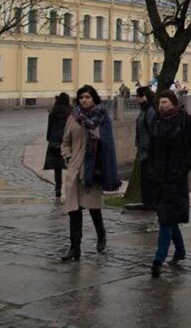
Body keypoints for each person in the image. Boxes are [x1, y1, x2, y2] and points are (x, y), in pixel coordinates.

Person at [59, 85, 120, 262]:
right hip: (75, 169)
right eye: (81, 97)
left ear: (94, 98)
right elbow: (65, 141)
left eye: (87, 97)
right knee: (74, 209)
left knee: (93, 207)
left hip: (93, 169)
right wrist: (68, 157)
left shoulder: (101, 118)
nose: (84, 100)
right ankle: (74, 247)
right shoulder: (73, 118)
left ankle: (101, 234)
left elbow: (108, 144)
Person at [145, 90, 191, 278]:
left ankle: (158, 260)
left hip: (176, 177)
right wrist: (151, 169)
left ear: (174, 102)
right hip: (159, 177)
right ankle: (180, 251)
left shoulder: (185, 120)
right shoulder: (158, 121)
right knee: (167, 216)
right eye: (160, 102)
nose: (162, 106)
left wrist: (183, 167)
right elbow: (151, 147)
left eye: (166, 102)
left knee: (166, 218)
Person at [44, 93, 73, 200]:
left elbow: (49, 127)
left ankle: (58, 189)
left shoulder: (53, 111)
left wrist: (49, 138)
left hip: (55, 141)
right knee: (71, 166)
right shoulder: (71, 111)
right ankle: (71, 188)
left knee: (57, 168)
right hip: (67, 141)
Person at [135, 86, 157, 210]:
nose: (136, 98)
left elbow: (152, 131)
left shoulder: (150, 111)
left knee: (148, 178)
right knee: (144, 179)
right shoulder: (143, 110)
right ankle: (147, 202)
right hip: (143, 149)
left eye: (138, 96)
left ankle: (150, 203)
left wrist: (149, 147)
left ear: (144, 96)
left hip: (149, 151)